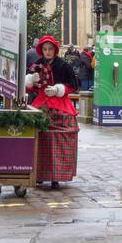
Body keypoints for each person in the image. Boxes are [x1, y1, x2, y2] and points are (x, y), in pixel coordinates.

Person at [25, 34, 79, 190]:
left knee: (59, 139)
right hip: (41, 103)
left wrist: (57, 89)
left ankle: (57, 175)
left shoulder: (63, 66)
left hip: (59, 103)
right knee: (39, 139)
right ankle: (40, 174)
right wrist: (31, 80)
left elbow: (72, 85)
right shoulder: (37, 65)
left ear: (55, 50)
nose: (48, 52)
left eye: (50, 49)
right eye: (45, 49)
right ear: (41, 50)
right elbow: (30, 87)